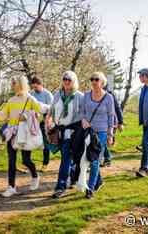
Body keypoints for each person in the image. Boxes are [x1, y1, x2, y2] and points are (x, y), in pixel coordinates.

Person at [0, 76, 43, 197]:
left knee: (26, 160)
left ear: (20, 84)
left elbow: (40, 115)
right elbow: (2, 116)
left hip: (25, 134)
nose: (12, 85)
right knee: (11, 161)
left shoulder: (30, 99)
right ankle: (11, 187)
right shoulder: (11, 100)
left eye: (13, 83)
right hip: (12, 133)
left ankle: (35, 176)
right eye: (11, 83)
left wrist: (27, 116)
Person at [48, 71, 84, 199]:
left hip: (73, 131)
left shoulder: (79, 96)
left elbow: (84, 113)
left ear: (74, 81)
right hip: (60, 131)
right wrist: (49, 120)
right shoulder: (57, 94)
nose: (66, 81)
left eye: (69, 79)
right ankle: (73, 178)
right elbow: (51, 109)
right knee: (69, 157)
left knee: (66, 158)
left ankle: (60, 187)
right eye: (64, 79)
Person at [82, 71, 115, 199]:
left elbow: (111, 116)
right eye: (92, 79)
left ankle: (90, 188)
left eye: (96, 79)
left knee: (95, 160)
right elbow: (82, 112)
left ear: (102, 82)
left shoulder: (108, 98)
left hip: (101, 132)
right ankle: (98, 181)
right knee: (86, 158)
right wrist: (83, 120)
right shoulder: (86, 95)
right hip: (88, 130)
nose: (94, 82)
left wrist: (110, 134)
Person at [30, 77, 54, 172]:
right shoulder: (31, 94)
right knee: (30, 141)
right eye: (33, 87)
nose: (35, 89)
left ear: (40, 85)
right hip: (34, 121)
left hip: (45, 121)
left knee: (45, 142)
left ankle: (45, 163)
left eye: (36, 87)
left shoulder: (48, 95)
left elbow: (52, 109)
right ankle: (28, 162)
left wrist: (43, 115)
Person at [101, 85, 123, 167]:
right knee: (101, 141)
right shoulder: (93, 94)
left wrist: (120, 122)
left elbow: (117, 108)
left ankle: (106, 158)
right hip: (99, 122)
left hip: (111, 122)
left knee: (103, 141)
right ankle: (106, 158)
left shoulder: (110, 95)